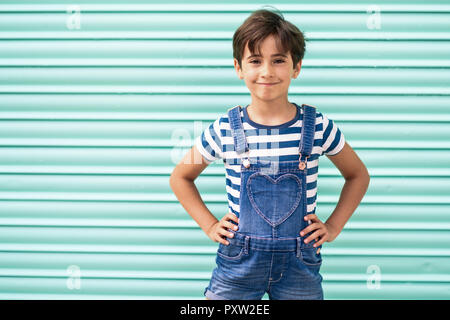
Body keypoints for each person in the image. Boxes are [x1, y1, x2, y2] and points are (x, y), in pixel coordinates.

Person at [170, 8, 370, 300]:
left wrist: (333, 225)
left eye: (278, 60)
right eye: (255, 61)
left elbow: (358, 175)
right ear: (239, 68)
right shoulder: (224, 128)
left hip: (299, 264)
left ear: (296, 67)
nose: (267, 71)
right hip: (238, 264)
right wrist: (210, 225)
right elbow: (180, 177)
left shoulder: (317, 127)